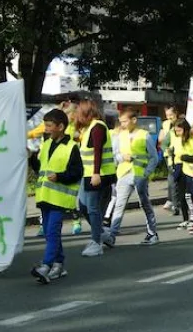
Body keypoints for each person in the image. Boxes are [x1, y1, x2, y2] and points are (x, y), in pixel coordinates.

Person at [29, 109, 82, 283]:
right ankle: (59, 265)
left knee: (52, 232)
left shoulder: (72, 147)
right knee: (49, 234)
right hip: (45, 197)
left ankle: (46, 266)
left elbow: (77, 172)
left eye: (49, 126)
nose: (46, 129)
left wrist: (60, 177)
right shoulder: (46, 144)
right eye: (46, 125)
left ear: (60, 127)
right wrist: (31, 158)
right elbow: (41, 168)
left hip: (60, 199)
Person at [105, 108, 161, 246]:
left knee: (144, 204)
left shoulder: (144, 135)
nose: (122, 124)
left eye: (125, 121)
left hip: (139, 174)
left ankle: (152, 233)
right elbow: (114, 155)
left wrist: (146, 173)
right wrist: (121, 157)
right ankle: (112, 236)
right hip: (124, 174)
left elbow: (154, 157)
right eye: (121, 122)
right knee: (119, 205)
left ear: (134, 120)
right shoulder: (120, 136)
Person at [74, 100, 117, 258]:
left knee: (92, 208)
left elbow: (97, 151)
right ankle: (102, 234)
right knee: (83, 206)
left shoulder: (97, 126)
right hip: (87, 174)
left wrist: (96, 173)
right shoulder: (88, 128)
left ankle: (96, 241)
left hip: (98, 174)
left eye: (79, 112)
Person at [171, 119, 193, 229]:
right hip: (179, 168)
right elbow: (174, 154)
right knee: (181, 196)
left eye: (179, 130)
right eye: (176, 131)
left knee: (189, 195)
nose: (177, 133)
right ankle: (185, 219)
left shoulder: (192, 140)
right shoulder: (176, 139)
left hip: (190, 170)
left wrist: (185, 157)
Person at [160, 106, 180, 215]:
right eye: (167, 115)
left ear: (176, 114)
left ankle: (175, 201)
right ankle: (173, 202)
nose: (169, 117)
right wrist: (166, 149)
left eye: (171, 115)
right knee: (172, 180)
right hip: (169, 156)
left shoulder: (182, 123)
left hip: (181, 156)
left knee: (176, 181)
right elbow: (162, 140)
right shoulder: (166, 124)